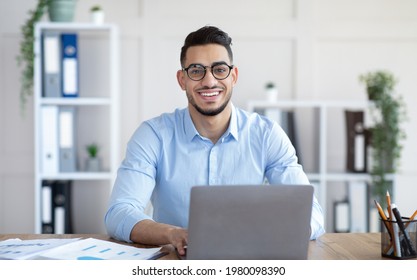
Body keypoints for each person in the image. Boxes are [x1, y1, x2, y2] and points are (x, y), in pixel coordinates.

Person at [105, 25, 325, 256]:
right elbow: (119, 213)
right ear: (182, 80)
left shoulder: (267, 135)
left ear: (234, 76)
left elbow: (312, 215)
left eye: (219, 70)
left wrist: (270, 233)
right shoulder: (153, 135)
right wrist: (173, 233)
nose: (209, 81)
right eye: (196, 70)